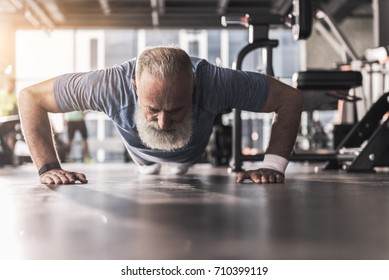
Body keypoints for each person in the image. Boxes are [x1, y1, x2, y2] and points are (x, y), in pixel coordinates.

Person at [18, 46, 303, 185]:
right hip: (140, 156)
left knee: (179, 168)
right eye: (152, 110)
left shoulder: (216, 82)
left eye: (175, 109)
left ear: (193, 85)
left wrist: (273, 165)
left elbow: (289, 98)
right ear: (133, 87)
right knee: (149, 168)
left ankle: (174, 160)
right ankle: (148, 163)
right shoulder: (107, 86)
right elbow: (30, 98)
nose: (164, 123)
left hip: (190, 153)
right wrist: (48, 168)